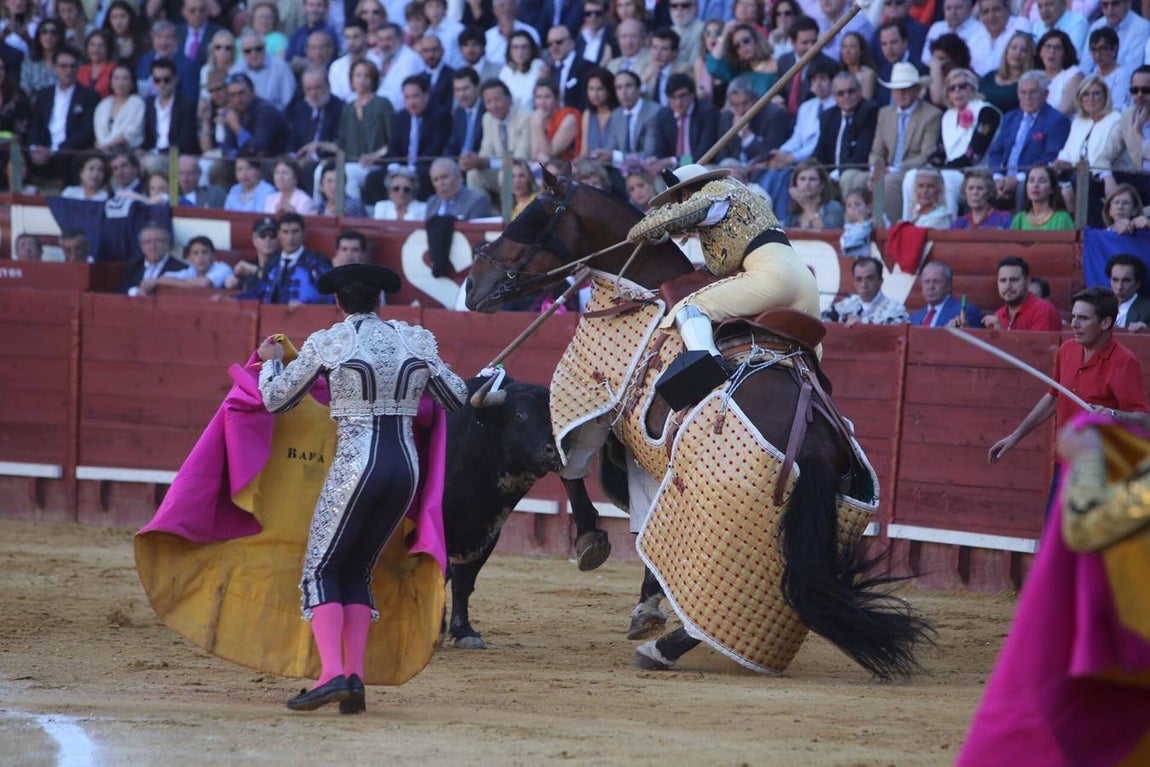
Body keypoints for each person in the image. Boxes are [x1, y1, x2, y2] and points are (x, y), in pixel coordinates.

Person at [256, 262, 467, 713]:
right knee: (356, 569)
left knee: (321, 570)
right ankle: (353, 679)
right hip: (404, 470)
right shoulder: (416, 339)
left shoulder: (329, 341)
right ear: (380, 300)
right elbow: (456, 397)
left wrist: (270, 362)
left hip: (357, 468)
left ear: (337, 301)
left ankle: (332, 673)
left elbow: (275, 399)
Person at [626, 163, 821, 396]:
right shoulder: (742, 198)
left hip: (773, 279)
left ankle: (709, 368)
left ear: (686, 194)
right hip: (806, 287)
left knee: (689, 310)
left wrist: (640, 228)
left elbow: (677, 216)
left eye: (679, 199)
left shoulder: (717, 191)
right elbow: (720, 266)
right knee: (809, 366)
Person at [988, 286, 1149, 466]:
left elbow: (1144, 421)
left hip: (1102, 466)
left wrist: (1113, 414)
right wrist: (1015, 436)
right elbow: (1053, 398)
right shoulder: (1067, 350)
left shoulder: (1123, 361)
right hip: (1066, 459)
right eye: (1073, 317)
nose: (1074, 324)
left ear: (1105, 323)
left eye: (1083, 318)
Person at [237, 213, 333, 305]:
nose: (290, 238)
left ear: (304, 234)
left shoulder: (317, 262)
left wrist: (308, 306)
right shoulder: (272, 263)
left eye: (295, 232)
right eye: (285, 232)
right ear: (279, 235)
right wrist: (232, 300)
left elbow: (331, 295)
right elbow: (258, 292)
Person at [824, 255, 911, 326]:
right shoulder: (847, 304)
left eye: (870, 278)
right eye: (859, 279)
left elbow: (896, 333)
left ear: (880, 281)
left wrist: (864, 324)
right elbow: (823, 320)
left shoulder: (895, 309)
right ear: (854, 282)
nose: (864, 284)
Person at [982, 255, 1063, 330]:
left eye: (1014, 280)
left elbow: (1039, 342)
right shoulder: (998, 315)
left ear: (1027, 281)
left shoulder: (1043, 310)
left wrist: (1001, 334)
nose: (1008, 286)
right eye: (1003, 280)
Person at [140, 235, 231, 293]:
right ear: (189, 258)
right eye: (195, 253)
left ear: (213, 256)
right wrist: (192, 284)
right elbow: (163, 278)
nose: (201, 257)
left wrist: (178, 283)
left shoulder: (223, 268)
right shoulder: (190, 271)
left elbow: (204, 284)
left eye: (205, 252)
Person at [120, 222, 190, 297]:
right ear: (141, 246)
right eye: (148, 242)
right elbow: (120, 290)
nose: (153, 246)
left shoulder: (182, 269)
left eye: (158, 241)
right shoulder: (133, 267)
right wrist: (135, 291)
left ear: (167, 244)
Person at [909, 261, 983, 326]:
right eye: (927, 281)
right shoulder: (915, 318)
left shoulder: (965, 312)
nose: (931, 286)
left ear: (948, 285)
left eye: (936, 281)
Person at [94, 60, 145, 152]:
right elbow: (98, 135)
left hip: (126, 151)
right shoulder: (103, 104)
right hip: (102, 151)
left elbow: (131, 134)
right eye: (116, 78)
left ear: (132, 82)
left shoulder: (137, 103)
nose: (120, 83)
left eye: (125, 79)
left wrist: (107, 146)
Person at [979, 31, 1033, 113]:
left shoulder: (1029, 83)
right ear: (1007, 50)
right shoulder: (990, 76)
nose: (1017, 53)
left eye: (1023, 50)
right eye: (1014, 48)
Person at [423, 156, 493, 219]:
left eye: (444, 177)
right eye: (435, 180)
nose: (440, 183)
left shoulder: (477, 202)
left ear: (458, 178)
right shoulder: (432, 202)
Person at [784, 159, 844, 230]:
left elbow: (828, 233)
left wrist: (806, 205)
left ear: (822, 184)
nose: (807, 184)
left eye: (812, 179)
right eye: (802, 179)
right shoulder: (793, 210)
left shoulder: (833, 208)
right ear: (795, 183)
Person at [1011, 164, 1075, 230]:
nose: (1035, 185)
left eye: (1042, 181)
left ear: (1052, 189)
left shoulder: (1062, 219)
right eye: (1031, 181)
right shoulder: (1019, 220)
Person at [1035, 29, 1082, 116]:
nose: (1052, 51)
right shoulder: (1034, 76)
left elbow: (1066, 111)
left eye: (1057, 48)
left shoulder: (1073, 73)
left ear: (1065, 53)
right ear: (1040, 51)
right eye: (1048, 46)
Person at [1107, 253, 1150, 331]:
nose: (1119, 287)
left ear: (1138, 283)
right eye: (1115, 280)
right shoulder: (1101, 307)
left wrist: (1146, 331)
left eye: (1126, 281)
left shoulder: (1147, 310)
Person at [840, 188, 875, 257]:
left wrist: (861, 221)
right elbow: (846, 245)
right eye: (849, 206)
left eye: (857, 205)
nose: (853, 208)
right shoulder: (847, 228)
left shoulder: (870, 223)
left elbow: (860, 236)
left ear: (868, 208)